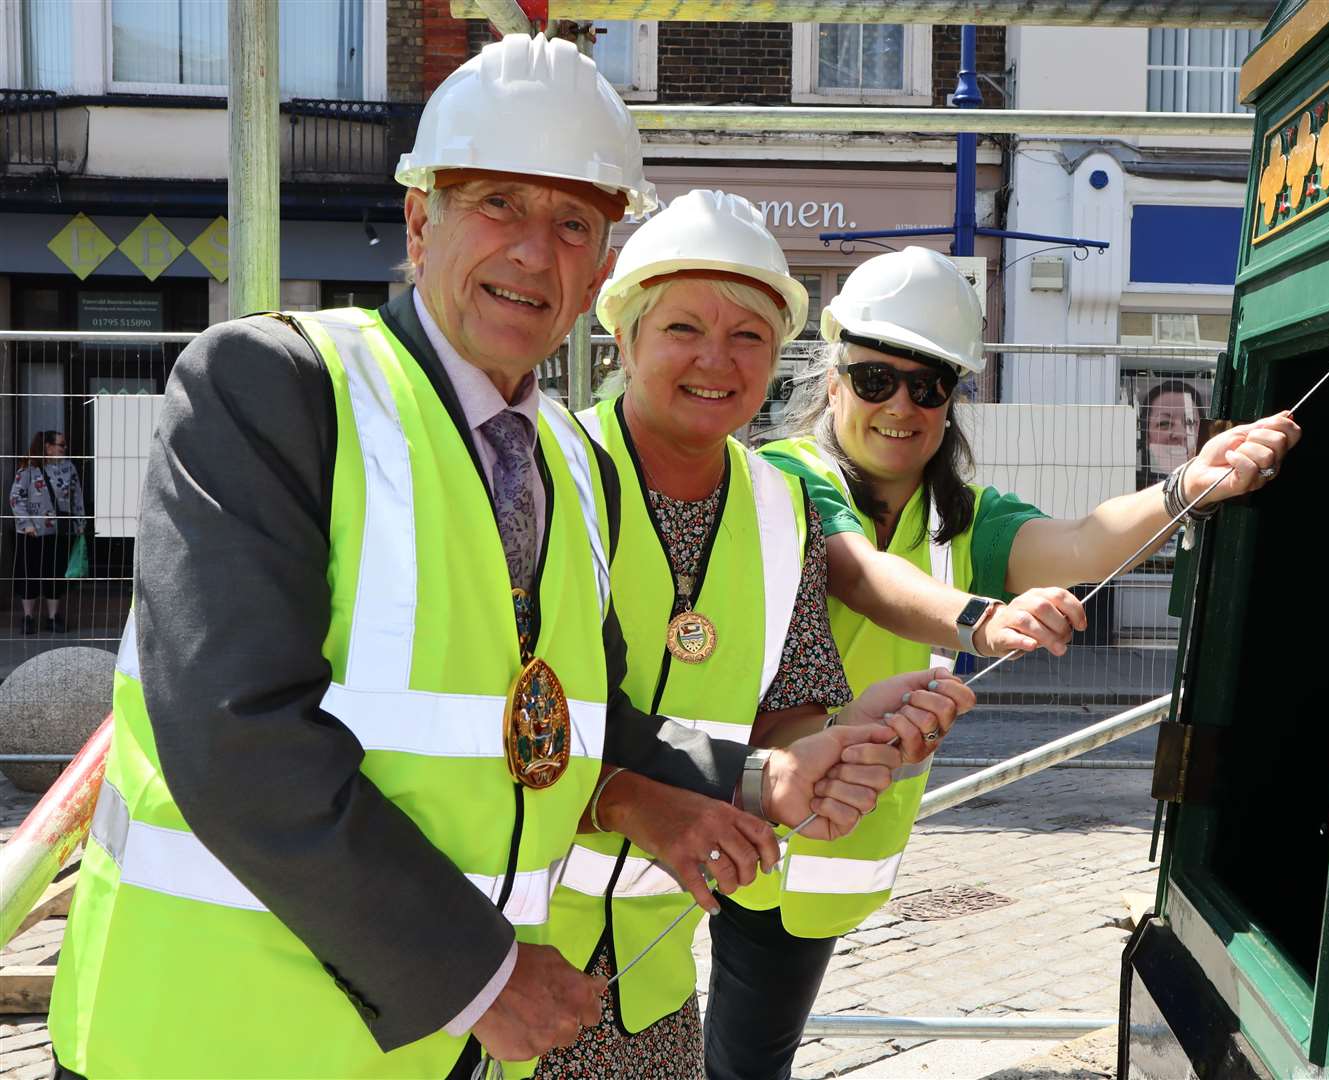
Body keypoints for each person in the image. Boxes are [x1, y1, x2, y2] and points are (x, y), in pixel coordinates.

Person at [46, 37, 907, 1080]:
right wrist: (483, 975)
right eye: (499, 203)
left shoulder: (561, 463)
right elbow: (236, 736)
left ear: (598, 271)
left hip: (433, 1056)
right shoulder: (275, 384)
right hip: (213, 1040)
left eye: (574, 223)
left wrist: (748, 778)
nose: (534, 254)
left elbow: (576, 717)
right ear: (421, 220)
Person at [705, 246, 1302, 1079]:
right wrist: (985, 621)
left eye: (929, 385)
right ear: (833, 381)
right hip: (753, 811)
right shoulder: (785, 476)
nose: (901, 406)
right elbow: (862, 574)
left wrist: (1186, 486)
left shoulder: (960, 515)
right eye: (876, 380)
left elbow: (1081, 541)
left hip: (841, 837)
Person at [536, 190, 974, 1078]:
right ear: (623, 336)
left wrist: (838, 741)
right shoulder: (539, 477)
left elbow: (789, 712)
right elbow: (505, 716)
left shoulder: (781, 508)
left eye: (748, 337)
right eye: (684, 329)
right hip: (509, 956)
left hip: (650, 985)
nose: (716, 360)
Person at [9, 429, 84, 634]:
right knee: (29, 574)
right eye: (61, 445)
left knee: (55, 574)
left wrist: (79, 521)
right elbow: (16, 498)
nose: (64, 448)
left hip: (59, 531)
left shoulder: (69, 468)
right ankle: (28, 617)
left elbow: (76, 496)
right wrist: (26, 524)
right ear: (48, 447)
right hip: (31, 533)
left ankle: (53, 617)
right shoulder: (28, 469)